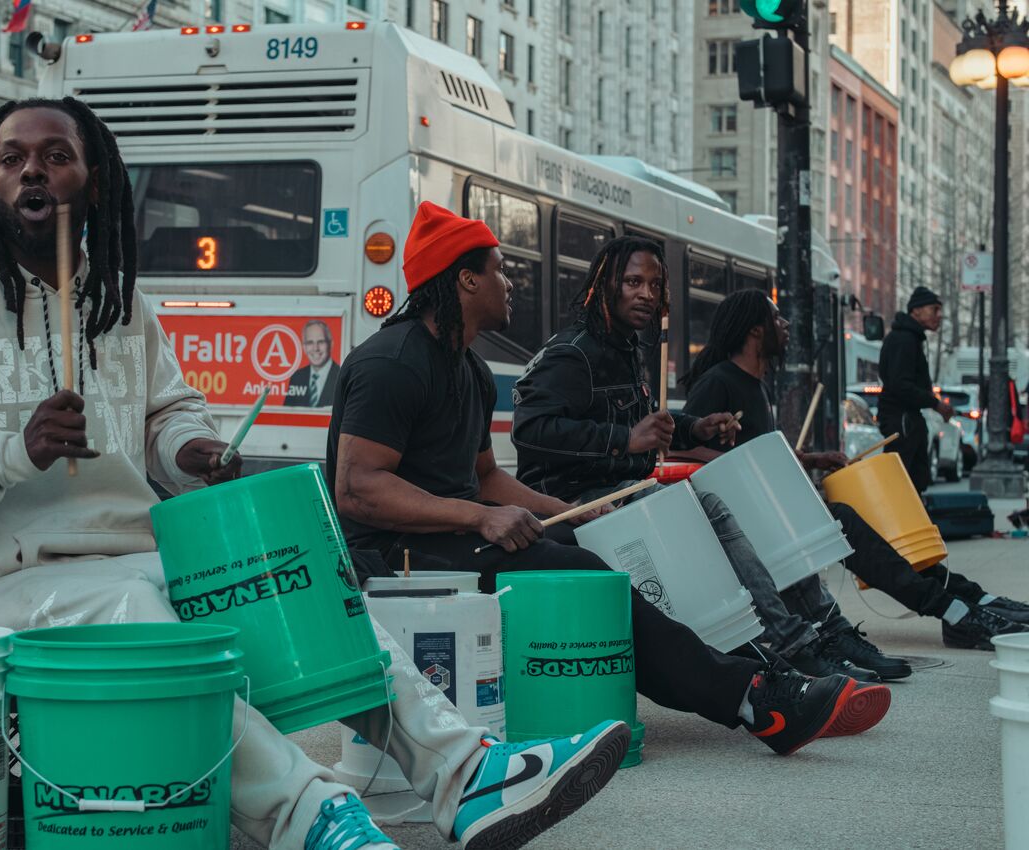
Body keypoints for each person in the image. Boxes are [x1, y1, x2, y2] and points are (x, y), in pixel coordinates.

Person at [0, 98, 631, 850]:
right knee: (134, 606)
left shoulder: (120, 306)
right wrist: (12, 452)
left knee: (297, 576)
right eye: (10, 159)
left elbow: (168, 417)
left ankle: (465, 775)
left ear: (92, 179)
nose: (30, 170)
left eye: (55, 155)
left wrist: (193, 454)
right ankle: (309, 816)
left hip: (120, 560)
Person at [328, 201, 890, 756]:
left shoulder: (469, 368)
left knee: (595, 544)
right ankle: (755, 699)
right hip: (393, 552)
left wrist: (557, 510)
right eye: (499, 269)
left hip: (452, 536)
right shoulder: (394, 362)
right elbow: (358, 489)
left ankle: (763, 669)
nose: (508, 282)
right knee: (587, 574)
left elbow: (486, 477)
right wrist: (480, 516)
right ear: (466, 280)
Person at [511, 236, 895, 682]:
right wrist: (624, 439)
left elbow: (644, 422)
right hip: (576, 499)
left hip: (621, 490)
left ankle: (810, 633)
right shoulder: (573, 351)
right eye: (634, 281)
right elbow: (531, 430)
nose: (647, 294)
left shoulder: (626, 348)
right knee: (706, 508)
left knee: (734, 501)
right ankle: (790, 645)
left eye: (655, 285)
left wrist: (696, 427)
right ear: (606, 284)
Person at [681, 289, 1029, 651]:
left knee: (877, 529)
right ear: (755, 330)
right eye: (776, 318)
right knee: (843, 522)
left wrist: (813, 458)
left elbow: (757, 451)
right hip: (746, 524)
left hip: (771, 512)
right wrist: (737, 465)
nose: (785, 325)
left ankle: (971, 601)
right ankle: (956, 611)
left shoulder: (755, 384)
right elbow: (682, 447)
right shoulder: (718, 381)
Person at [878, 286, 955, 492]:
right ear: (916, 310)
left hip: (909, 420)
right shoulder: (904, 340)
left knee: (914, 481)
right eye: (934, 309)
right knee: (901, 483)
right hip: (902, 421)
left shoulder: (910, 338)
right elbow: (900, 385)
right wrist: (935, 404)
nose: (939, 316)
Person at [285, 319, 341, 407]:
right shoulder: (297, 377)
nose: (315, 348)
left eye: (321, 342)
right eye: (310, 342)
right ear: (304, 347)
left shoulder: (341, 375)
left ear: (331, 344)